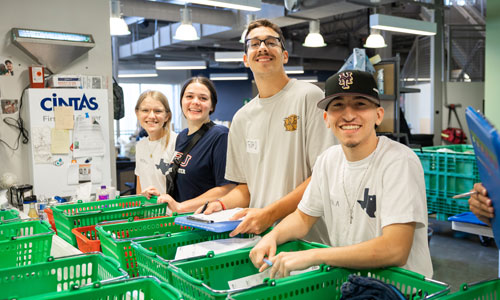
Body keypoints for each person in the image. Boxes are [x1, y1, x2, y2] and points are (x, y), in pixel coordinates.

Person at [249, 70, 433, 279]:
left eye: (360, 104)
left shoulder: (399, 161)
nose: (348, 115)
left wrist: (315, 255)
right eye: (338, 105)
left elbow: (395, 249)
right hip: (353, 286)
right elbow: (303, 217)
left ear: (379, 115)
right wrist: (272, 236)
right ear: (326, 119)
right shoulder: (328, 161)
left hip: (400, 291)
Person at [198, 19, 336, 244]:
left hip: (308, 241)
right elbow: (246, 188)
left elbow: (322, 176)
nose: (262, 47)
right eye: (254, 44)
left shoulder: (310, 97)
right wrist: (221, 204)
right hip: (260, 240)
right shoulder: (242, 118)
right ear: (245, 59)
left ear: (284, 55)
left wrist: (270, 214)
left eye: (271, 42)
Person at [158, 76, 236, 212]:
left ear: (212, 106)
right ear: (182, 101)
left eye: (203, 98)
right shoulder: (182, 136)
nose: (195, 102)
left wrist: (181, 207)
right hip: (183, 220)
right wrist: (161, 195)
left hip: (206, 222)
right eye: (189, 96)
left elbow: (227, 189)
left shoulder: (220, 136)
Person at [134, 90, 177, 197]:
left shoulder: (177, 143)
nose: (151, 116)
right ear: (137, 113)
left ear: (167, 116)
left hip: (172, 212)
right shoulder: (140, 146)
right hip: (148, 212)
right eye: (145, 110)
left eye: (158, 111)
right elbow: (140, 185)